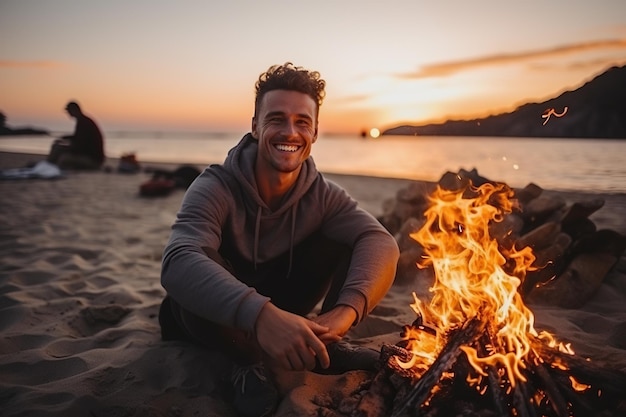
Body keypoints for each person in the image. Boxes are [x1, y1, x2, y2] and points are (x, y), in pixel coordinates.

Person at [158, 63, 399, 416]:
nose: (290, 132)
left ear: (315, 132)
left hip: (289, 312)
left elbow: (380, 242)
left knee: (353, 238)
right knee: (197, 266)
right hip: (213, 324)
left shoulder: (323, 194)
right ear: (255, 126)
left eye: (302, 121)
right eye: (276, 119)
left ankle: (326, 346)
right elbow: (178, 260)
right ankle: (248, 362)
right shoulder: (216, 186)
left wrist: (341, 316)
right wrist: (261, 316)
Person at [47, 101, 105, 169]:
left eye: (69, 111)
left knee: (64, 158)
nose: (68, 114)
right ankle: (48, 164)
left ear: (74, 110)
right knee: (57, 147)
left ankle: (50, 166)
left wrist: (68, 148)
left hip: (93, 160)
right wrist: (64, 138)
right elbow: (78, 138)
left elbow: (81, 146)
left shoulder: (83, 123)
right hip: (88, 155)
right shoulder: (83, 121)